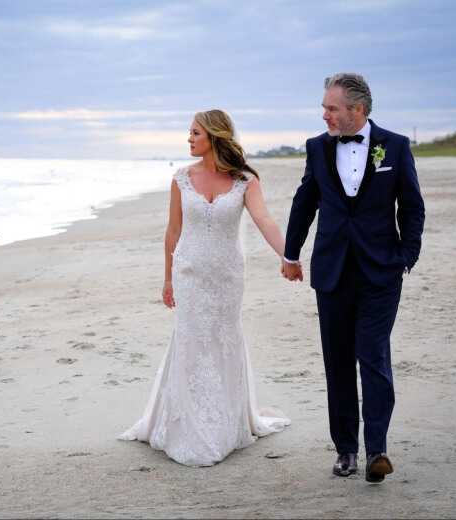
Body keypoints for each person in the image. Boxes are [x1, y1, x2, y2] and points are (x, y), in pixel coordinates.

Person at [118, 109, 291, 467]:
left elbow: (264, 219)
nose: (189, 139)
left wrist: (288, 255)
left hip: (228, 276)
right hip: (190, 274)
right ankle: (187, 425)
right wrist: (167, 278)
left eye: (195, 133)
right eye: (189, 133)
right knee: (192, 341)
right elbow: (173, 233)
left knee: (224, 341)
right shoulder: (181, 178)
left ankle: (226, 422)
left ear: (214, 136)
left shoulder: (245, 181)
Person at [282, 73, 425, 483]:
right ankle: (346, 450)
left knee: (373, 355)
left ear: (357, 110)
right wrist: (291, 254)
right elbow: (305, 202)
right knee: (338, 361)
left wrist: (406, 256)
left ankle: (377, 449)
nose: (323, 113)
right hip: (331, 271)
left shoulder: (394, 146)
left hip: (381, 271)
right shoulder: (316, 148)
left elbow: (412, 207)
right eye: (324, 106)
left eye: (331, 107)